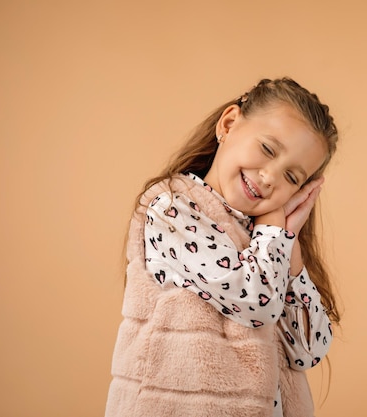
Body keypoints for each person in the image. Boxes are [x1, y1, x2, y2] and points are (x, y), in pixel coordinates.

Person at [105, 77, 340, 417]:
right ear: (228, 124)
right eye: (268, 150)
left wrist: (292, 258)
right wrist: (275, 232)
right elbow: (255, 304)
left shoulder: (270, 243)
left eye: (292, 177)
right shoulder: (172, 206)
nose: (271, 177)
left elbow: (309, 350)